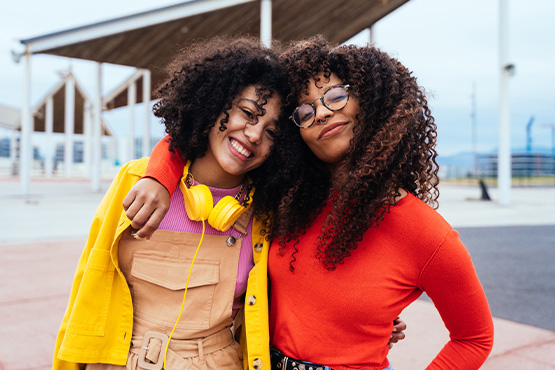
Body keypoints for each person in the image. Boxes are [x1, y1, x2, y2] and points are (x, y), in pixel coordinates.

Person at [129, 35, 499, 370]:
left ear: (371, 101)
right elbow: (194, 141)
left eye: (336, 96)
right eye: (304, 111)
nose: (320, 112)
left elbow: (474, 338)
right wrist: (158, 176)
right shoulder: (287, 200)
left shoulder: (427, 234)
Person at [53, 36, 303, 370]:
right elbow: (88, 289)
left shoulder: (266, 214)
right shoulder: (136, 181)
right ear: (213, 101)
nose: (255, 135)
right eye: (247, 112)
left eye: (272, 132)